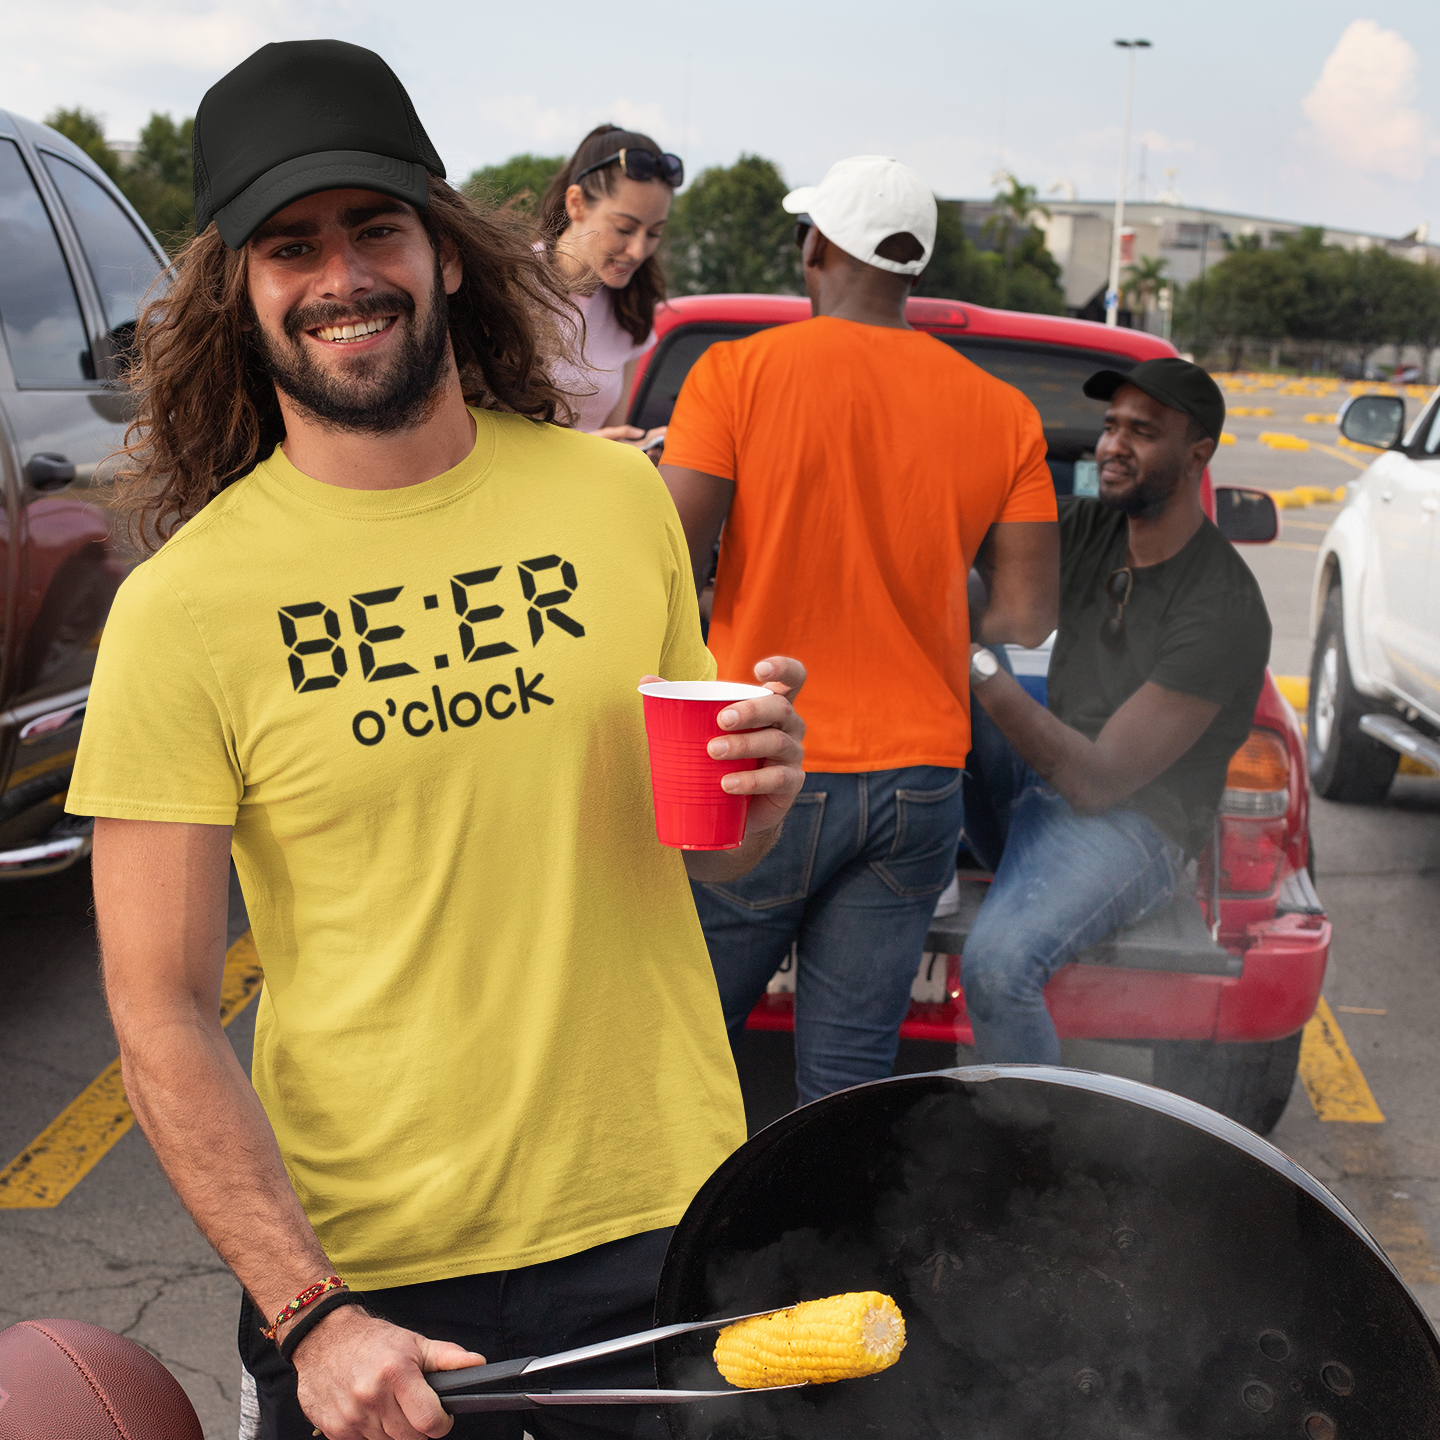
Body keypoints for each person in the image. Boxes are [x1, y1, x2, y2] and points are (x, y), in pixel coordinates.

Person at [66, 40, 806, 1440]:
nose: (341, 275)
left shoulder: (614, 503)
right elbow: (158, 1007)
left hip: (664, 1225)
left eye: (375, 227)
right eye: (291, 247)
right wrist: (307, 1310)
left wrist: (758, 802)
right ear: (243, 296)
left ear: (447, 252)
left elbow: (700, 852)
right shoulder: (182, 610)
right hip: (373, 1292)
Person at [659, 155, 1059, 1107]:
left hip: (767, 767)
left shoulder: (737, 373)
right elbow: (1026, 616)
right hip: (922, 785)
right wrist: (915, 596)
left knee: (681, 1048)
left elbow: (664, 559)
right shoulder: (1002, 413)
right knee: (846, 1083)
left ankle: (668, 1251)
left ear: (819, 249)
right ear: (911, 269)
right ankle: (826, 1254)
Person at [959, 358, 1271, 1064]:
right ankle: (888, 851)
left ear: (1197, 455)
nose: (1112, 446)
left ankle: (1027, 1162)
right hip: (1036, 793)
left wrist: (971, 658)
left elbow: (1099, 782)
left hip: (1132, 825)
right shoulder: (1090, 528)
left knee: (999, 971)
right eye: (1108, 426)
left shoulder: (1222, 606)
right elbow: (956, 537)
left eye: (1142, 431)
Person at [540, 125, 681, 448]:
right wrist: (584, 447)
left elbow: (612, 439)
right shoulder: (507, 285)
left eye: (655, 233)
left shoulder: (631, 311)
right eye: (624, 228)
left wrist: (642, 447)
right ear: (576, 203)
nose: (638, 250)